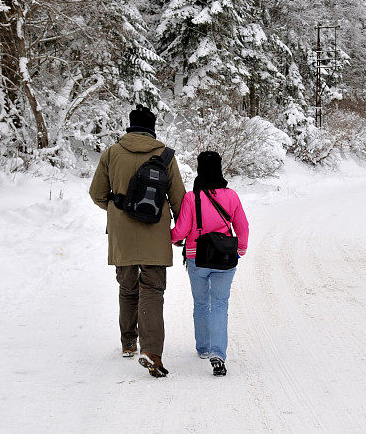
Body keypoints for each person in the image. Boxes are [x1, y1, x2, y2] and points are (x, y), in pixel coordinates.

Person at [89, 105, 185, 378]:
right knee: (152, 291)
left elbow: (96, 193)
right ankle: (152, 351)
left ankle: (128, 342)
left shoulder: (112, 153)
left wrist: (118, 209)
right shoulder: (165, 156)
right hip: (155, 232)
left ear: (130, 126)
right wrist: (181, 229)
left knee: (128, 286)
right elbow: (178, 198)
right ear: (152, 128)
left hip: (122, 234)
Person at [171, 151, 249, 376]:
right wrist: (240, 250)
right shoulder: (231, 196)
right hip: (225, 258)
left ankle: (203, 347)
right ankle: (218, 352)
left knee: (201, 303)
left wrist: (169, 238)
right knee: (220, 304)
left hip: (197, 257)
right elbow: (242, 226)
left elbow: (182, 231)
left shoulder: (191, 197)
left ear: (199, 169)